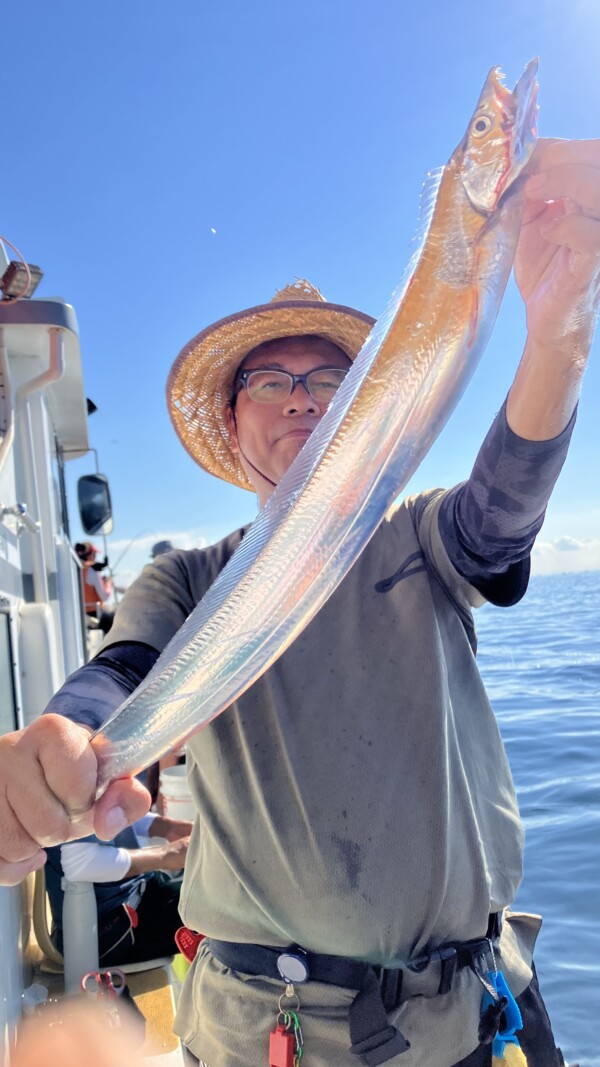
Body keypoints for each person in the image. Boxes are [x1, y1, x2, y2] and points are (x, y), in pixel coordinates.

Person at [0, 137, 598, 1067]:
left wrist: (560, 328)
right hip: (270, 1033)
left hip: (466, 1018)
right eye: (271, 381)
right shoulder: (189, 579)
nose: (301, 399)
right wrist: (62, 746)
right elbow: (122, 677)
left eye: (327, 381)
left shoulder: (415, 537)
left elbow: (500, 517)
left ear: (358, 406)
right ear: (233, 426)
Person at [44, 811, 191, 965]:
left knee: (211, 889)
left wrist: (167, 827)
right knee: (213, 909)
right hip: (103, 933)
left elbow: (116, 813)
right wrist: (165, 855)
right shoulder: (72, 791)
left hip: (140, 893)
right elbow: (80, 864)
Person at [75, 541, 115, 635]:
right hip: (95, 615)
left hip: (80, 615)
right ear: (89, 555)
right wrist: (108, 583)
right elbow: (104, 597)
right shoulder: (92, 571)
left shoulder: (75, 569)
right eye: (94, 554)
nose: (95, 557)